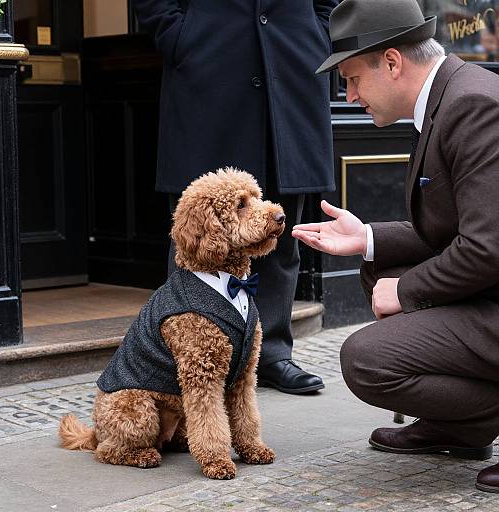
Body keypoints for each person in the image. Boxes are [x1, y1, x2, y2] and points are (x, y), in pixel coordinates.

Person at [292, 0, 499, 493]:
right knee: (379, 264)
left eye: (352, 78)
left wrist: (405, 291)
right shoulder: (449, 96)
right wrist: (366, 239)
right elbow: (455, 229)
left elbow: (489, 247)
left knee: (367, 358)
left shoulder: (472, 105)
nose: (348, 95)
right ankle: (461, 428)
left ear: (391, 62)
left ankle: (470, 420)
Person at [132, 0, 338, 394]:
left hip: (291, 69)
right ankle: (185, 356)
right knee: (197, 235)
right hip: (209, 75)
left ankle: (273, 353)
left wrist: (319, 32)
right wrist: (179, 36)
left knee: (278, 229)